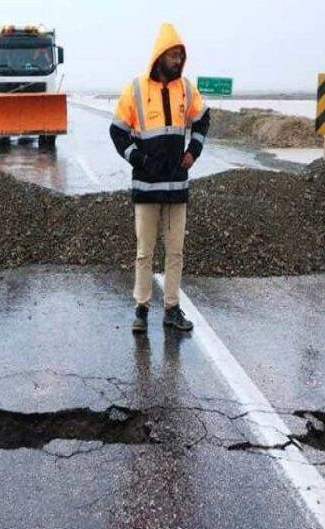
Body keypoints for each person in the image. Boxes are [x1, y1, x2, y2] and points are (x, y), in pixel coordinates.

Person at [109, 23, 210, 334]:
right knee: (144, 252)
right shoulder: (136, 90)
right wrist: (137, 159)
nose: (178, 60)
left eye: (181, 55)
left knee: (175, 252)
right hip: (147, 189)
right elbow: (117, 131)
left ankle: (171, 309)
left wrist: (193, 150)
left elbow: (204, 118)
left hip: (177, 188)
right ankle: (141, 309)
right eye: (173, 55)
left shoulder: (186, 89)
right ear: (160, 56)